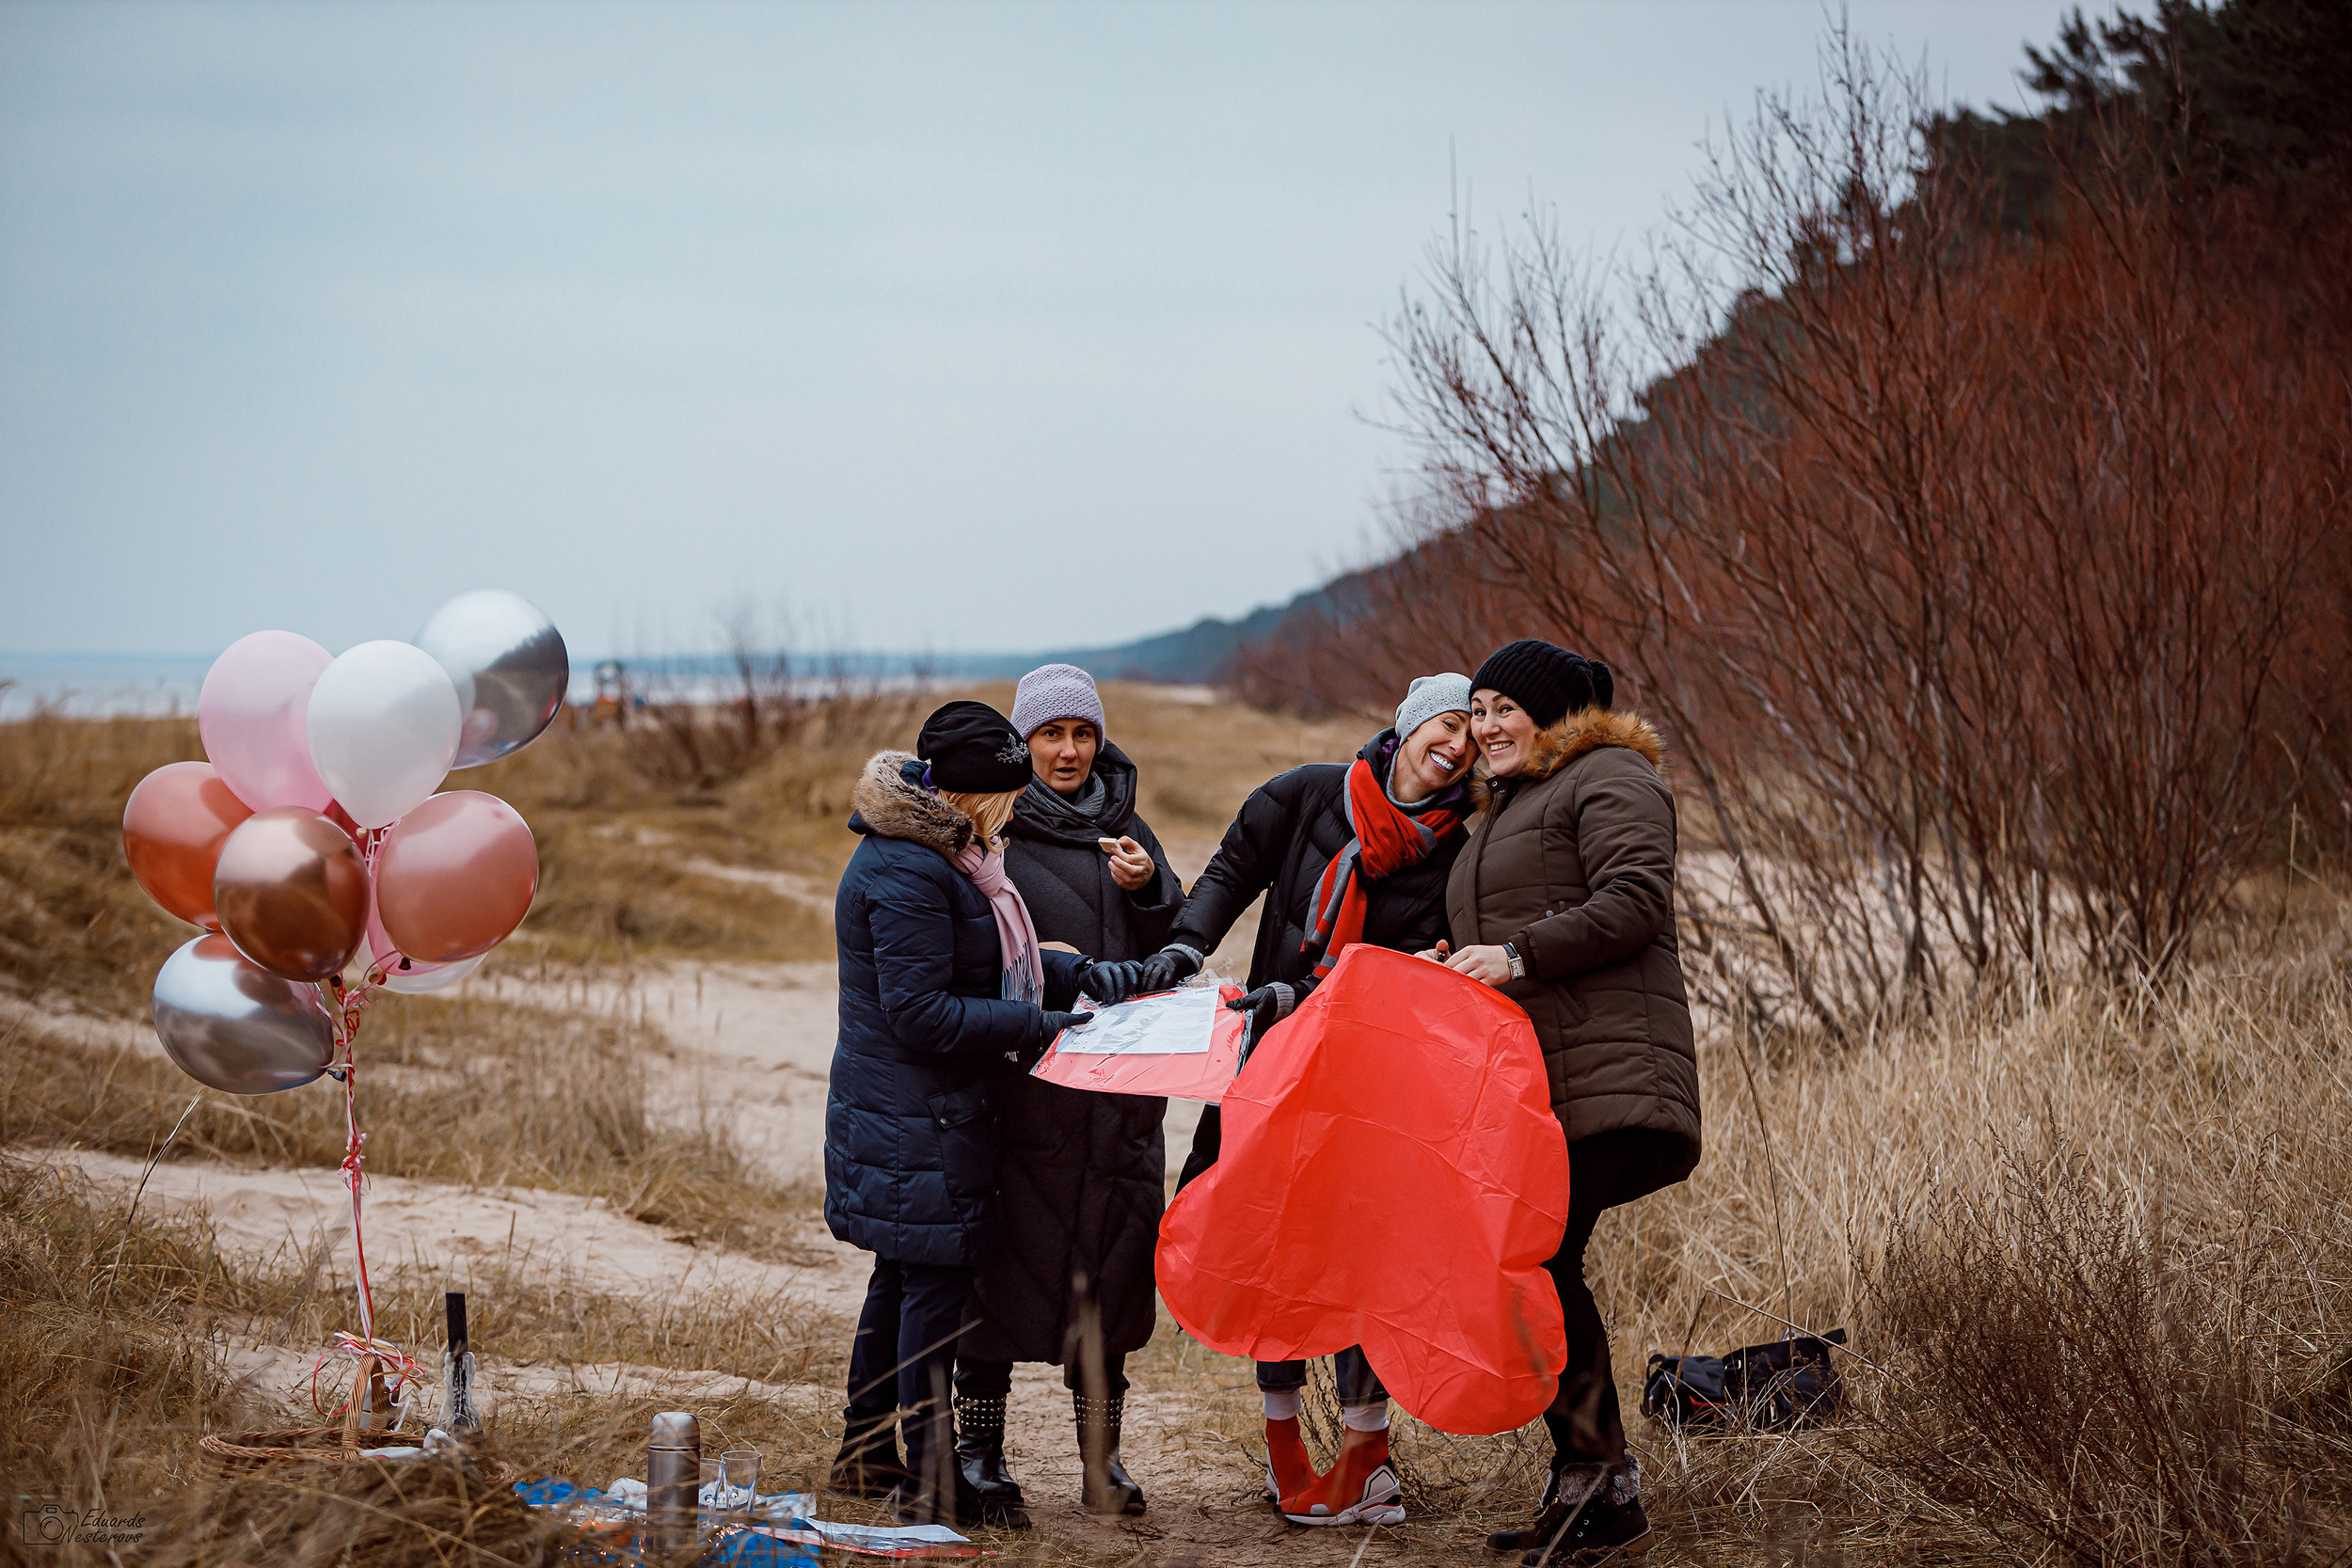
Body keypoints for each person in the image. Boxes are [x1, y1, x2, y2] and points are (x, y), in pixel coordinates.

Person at [1134, 673, 1477, 1528]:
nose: (1460, 742)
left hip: (1369, 1085)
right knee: (1270, 1244)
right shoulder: (1304, 796)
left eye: (1474, 732)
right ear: (1407, 723)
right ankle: (1285, 1445)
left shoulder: (1458, 848)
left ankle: (1368, 1455)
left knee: (1363, 1254)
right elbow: (1228, 873)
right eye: (1448, 720)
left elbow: (1404, 976)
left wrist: (1304, 996)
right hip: (1271, 1065)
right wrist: (1184, 946)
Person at [823, 699, 1138, 1528]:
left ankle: (864, 1454)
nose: (1013, 811)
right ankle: (932, 1481)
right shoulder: (907, 871)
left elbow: (982, 964)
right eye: (1003, 796)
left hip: (924, 1115)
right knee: (929, 1292)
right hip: (914, 1118)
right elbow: (922, 1012)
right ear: (968, 795)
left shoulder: (948, 857)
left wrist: (1065, 974)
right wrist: (1040, 1025)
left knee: (903, 1280)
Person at [1433, 639, 1701, 1567]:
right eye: (1475, 709)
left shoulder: (1609, 776)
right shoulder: (1506, 808)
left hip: (1608, 1070)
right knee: (1535, 1265)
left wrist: (1517, 954)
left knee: (1537, 1259)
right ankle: (1586, 1481)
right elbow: (1505, 930)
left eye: (1505, 706)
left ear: (1550, 715)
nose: (1485, 725)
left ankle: (1602, 1486)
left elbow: (1635, 898)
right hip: (1546, 1083)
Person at [953, 665, 1185, 1518]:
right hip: (1026, 1089)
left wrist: (1150, 890)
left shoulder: (1132, 829)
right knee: (998, 1276)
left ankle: (1103, 1464)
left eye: (1083, 733)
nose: (1069, 750)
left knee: (1112, 1272)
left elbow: (1178, 939)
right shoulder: (993, 826)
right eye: (1051, 734)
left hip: (1119, 1096)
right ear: (1025, 741)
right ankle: (980, 1457)